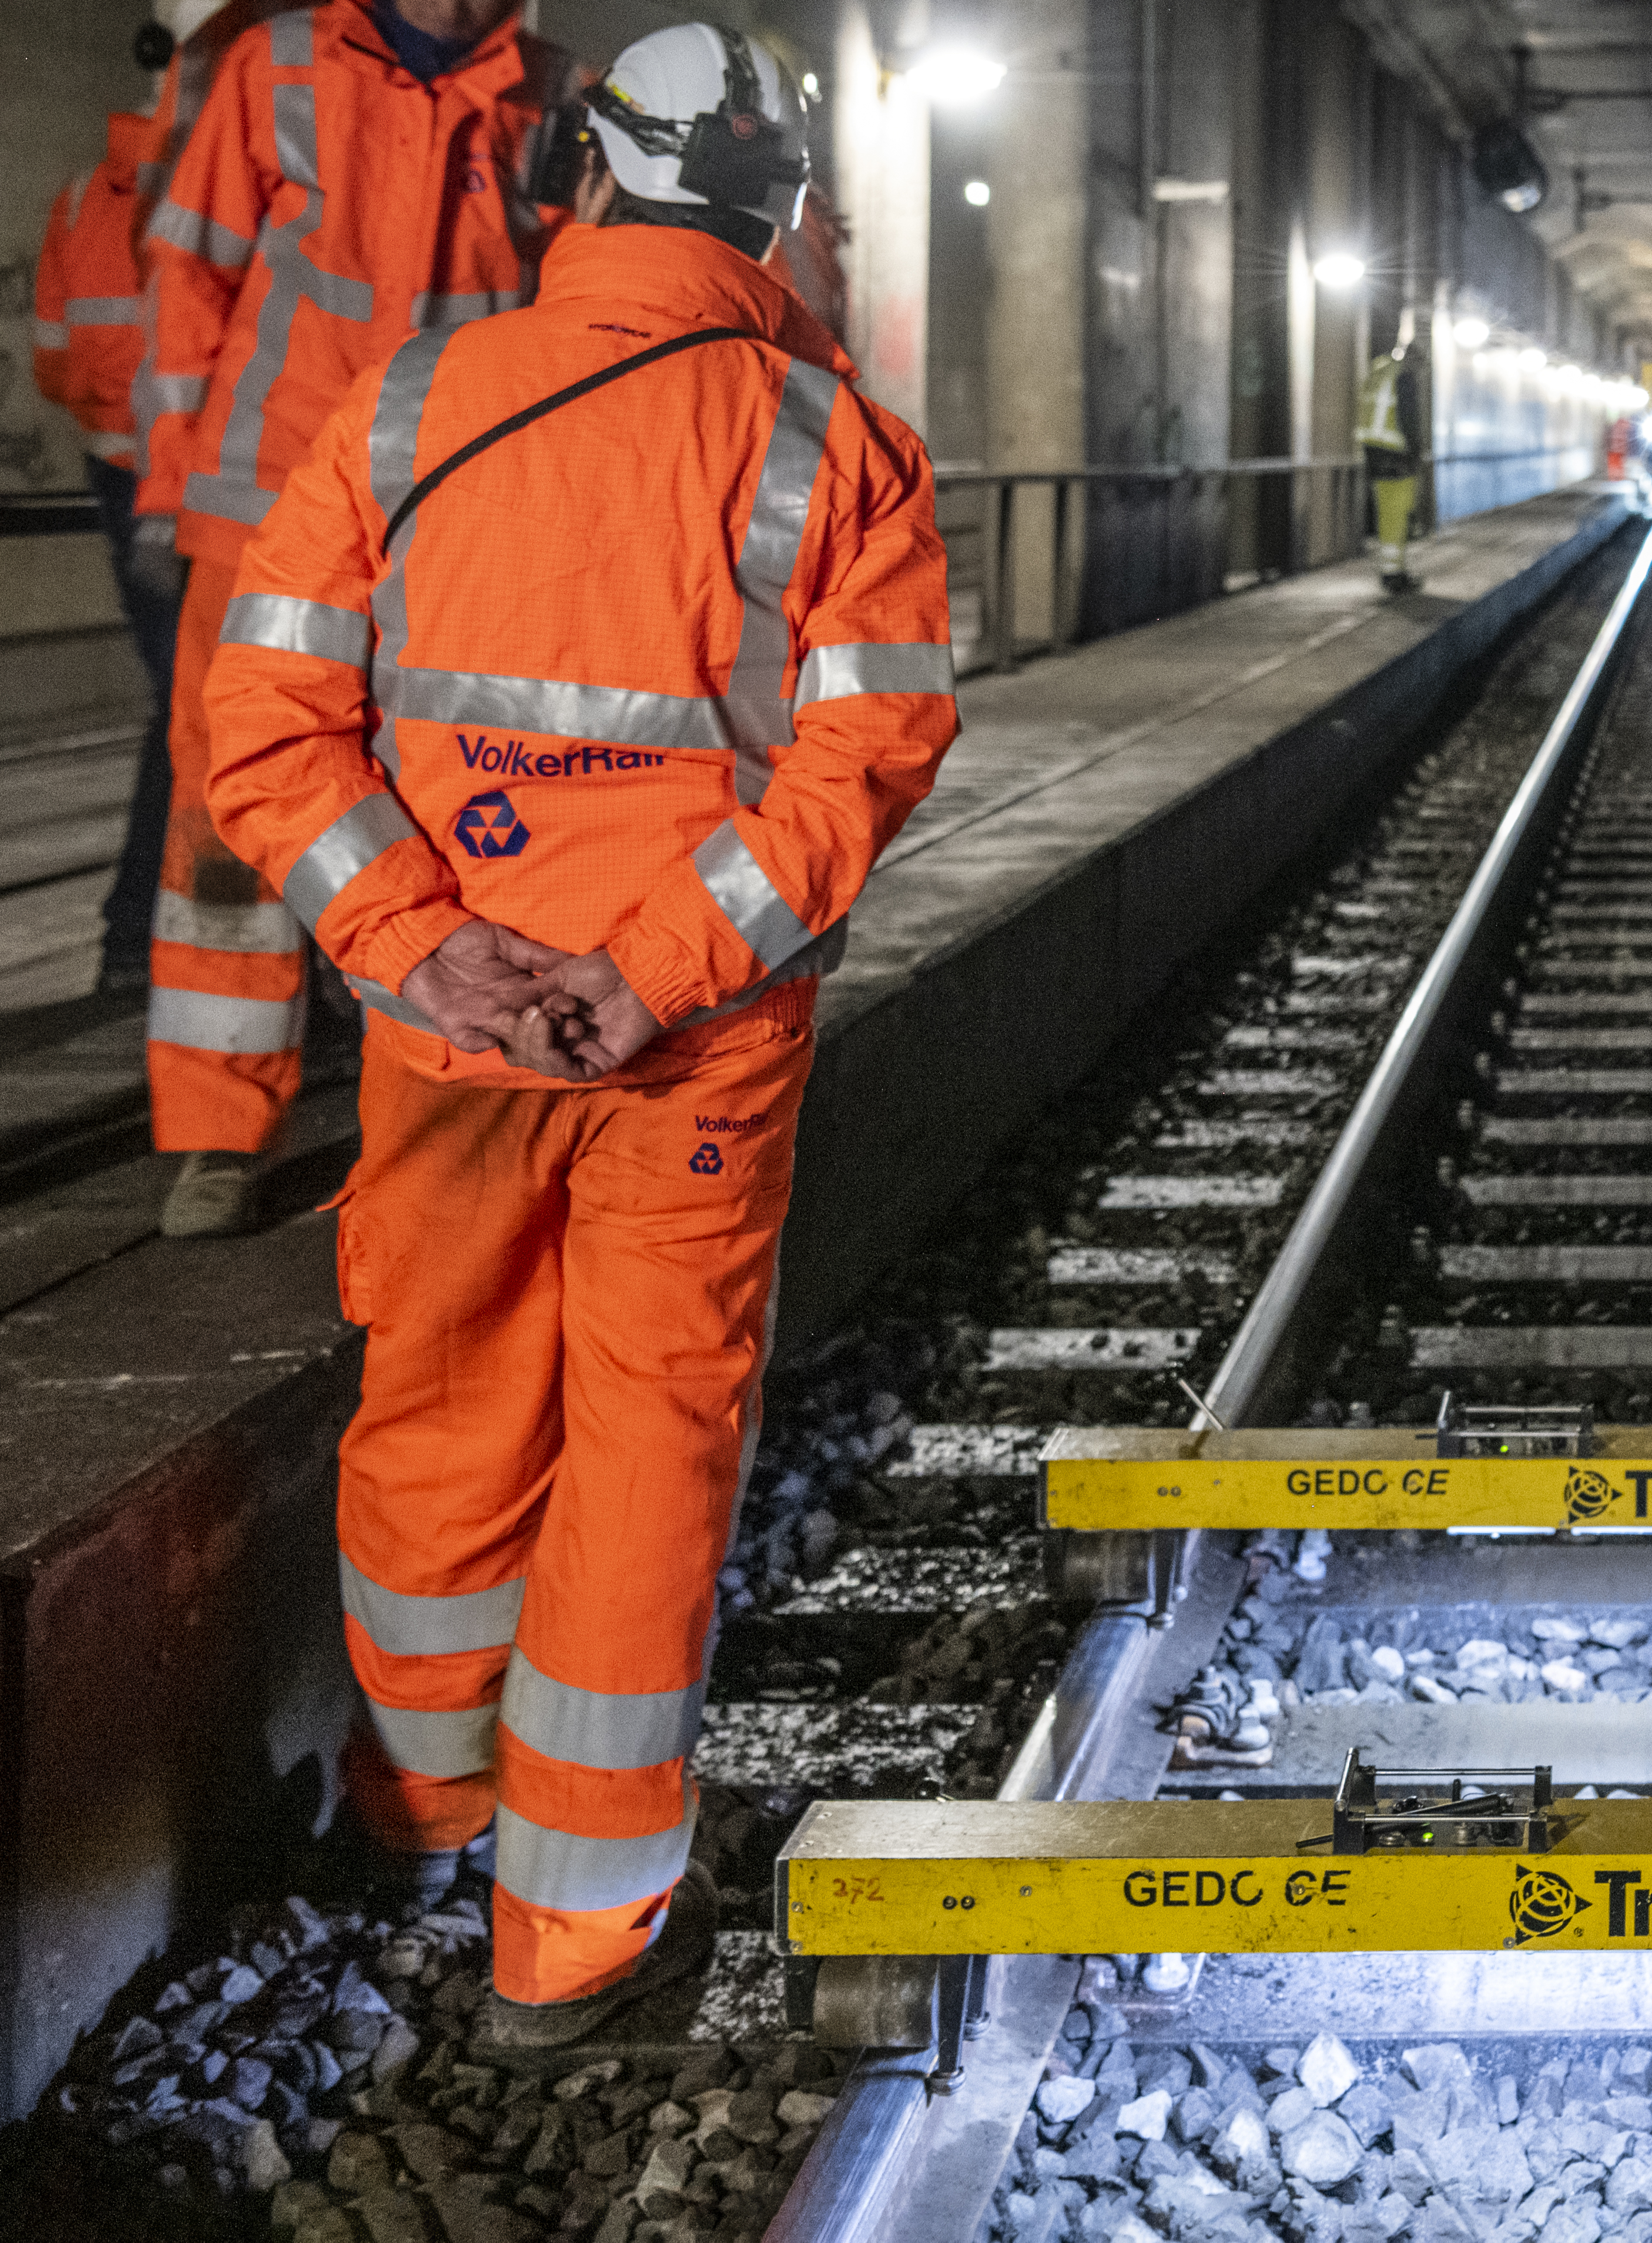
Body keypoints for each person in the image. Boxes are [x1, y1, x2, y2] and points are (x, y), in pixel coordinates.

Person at [198, 21, 957, 2044]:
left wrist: (414, 938)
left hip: (448, 1032)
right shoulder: (836, 443)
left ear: (583, 183)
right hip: (686, 1049)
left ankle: (418, 1798)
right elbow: (867, 753)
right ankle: (576, 1943)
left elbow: (263, 721)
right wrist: (656, 968)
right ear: (783, 211)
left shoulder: (405, 401)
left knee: (441, 1401)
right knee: (646, 1443)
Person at [135, 0, 575, 1238]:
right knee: (226, 815)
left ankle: (453, 1093)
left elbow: (583, 300)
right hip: (260, 497)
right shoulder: (276, 64)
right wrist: (175, 478)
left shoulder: (549, 91)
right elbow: (190, 273)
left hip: (455, 510)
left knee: (456, 797)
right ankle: (218, 1132)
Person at [36, 95, 183, 995]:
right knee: (201, 709)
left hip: (116, 470)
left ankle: (134, 939)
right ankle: (138, 933)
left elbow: (54, 364)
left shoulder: (81, 196)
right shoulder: (237, 176)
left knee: (184, 703)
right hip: (204, 482)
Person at [1355, 315, 1426, 594]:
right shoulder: (1405, 378)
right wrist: (1417, 453)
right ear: (1414, 361)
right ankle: (1395, 574)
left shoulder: (1379, 369)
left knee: (1386, 513)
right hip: (1397, 455)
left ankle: (1389, 570)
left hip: (1373, 453)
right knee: (1399, 513)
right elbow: (1409, 421)